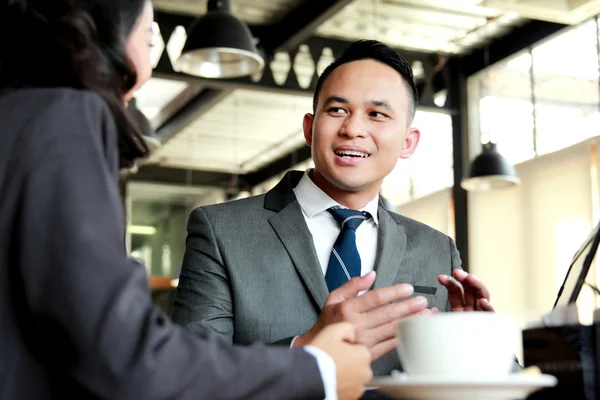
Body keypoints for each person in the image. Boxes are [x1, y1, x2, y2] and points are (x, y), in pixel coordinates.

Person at [0, 1, 374, 399]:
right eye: (149, 37)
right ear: (106, 33)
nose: (144, 69)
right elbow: (125, 356)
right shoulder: (63, 117)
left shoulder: (19, 115)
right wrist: (316, 369)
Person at [171, 39, 495, 376]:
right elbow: (186, 372)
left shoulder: (436, 250)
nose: (353, 129)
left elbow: (501, 380)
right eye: (337, 110)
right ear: (310, 128)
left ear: (407, 142)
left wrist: (472, 346)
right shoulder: (222, 230)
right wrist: (308, 349)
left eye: (377, 114)